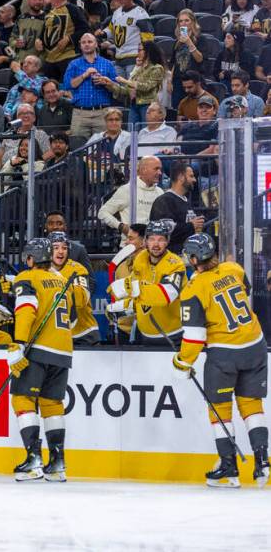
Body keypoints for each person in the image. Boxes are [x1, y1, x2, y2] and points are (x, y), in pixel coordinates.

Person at [173, 232, 269, 488]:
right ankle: (262, 462)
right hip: (255, 344)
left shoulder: (193, 288)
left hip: (225, 353)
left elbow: (194, 336)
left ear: (194, 259)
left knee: (220, 409)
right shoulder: (233, 268)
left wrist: (183, 363)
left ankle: (229, 466)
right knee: (252, 406)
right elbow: (244, 291)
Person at [7, 237, 75, 482]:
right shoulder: (61, 280)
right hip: (63, 349)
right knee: (51, 403)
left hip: (37, 349)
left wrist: (19, 344)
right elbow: (73, 316)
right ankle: (57, 464)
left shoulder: (27, 277)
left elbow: (25, 310)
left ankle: (33, 460)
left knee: (22, 399)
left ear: (30, 259)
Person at [107, 220, 187, 346]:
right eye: (152, 239)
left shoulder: (175, 264)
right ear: (145, 241)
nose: (156, 244)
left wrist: (131, 287)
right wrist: (122, 306)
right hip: (144, 335)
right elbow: (137, 294)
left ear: (167, 241)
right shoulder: (141, 258)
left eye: (161, 239)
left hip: (171, 336)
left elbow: (166, 295)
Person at [98, 156, 164, 243]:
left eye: (160, 169)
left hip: (153, 247)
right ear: (144, 170)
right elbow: (102, 213)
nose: (160, 172)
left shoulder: (160, 192)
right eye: (156, 169)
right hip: (130, 247)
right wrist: (121, 226)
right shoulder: (127, 190)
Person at [48, 232, 99, 344]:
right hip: (57, 335)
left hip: (83, 335)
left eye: (64, 248)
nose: (61, 251)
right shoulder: (42, 270)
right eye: (56, 248)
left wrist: (57, 278)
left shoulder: (77, 269)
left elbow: (81, 300)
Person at [64, 33, 117, 140]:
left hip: (102, 113)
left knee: (104, 149)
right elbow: (68, 85)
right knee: (77, 148)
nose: (86, 44)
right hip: (80, 113)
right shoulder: (74, 64)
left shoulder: (107, 64)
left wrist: (105, 82)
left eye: (90, 42)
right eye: (83, 42)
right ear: (80, 45)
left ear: (96, 44)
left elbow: (117, 88)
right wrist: (84, 75)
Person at [39, 0, 89, 82]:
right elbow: (46, 30)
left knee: (67, 89)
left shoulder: (72, 9)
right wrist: (39, 39)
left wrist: (69, 39)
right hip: (49, 59)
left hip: (67, 57)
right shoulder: (49, 10)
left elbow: (84, 28)